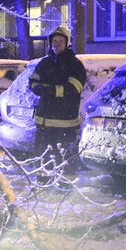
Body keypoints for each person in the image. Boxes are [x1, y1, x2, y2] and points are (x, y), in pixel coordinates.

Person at [29, 25, 87, 171]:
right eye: (55, 40)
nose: (57, 43)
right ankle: (43, 185)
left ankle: (65, 188)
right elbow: (33, 80)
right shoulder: (44, 63)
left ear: (67, 43)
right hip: (43, 123)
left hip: (65, 124)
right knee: (43, 157)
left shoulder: (75, 64)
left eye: (61, 40)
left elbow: (74, 89)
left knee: (65, 160)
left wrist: (49, 90)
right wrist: (36, 87)